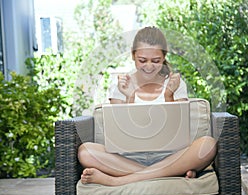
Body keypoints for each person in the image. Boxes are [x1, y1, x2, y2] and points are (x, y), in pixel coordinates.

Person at [78, 26, 217, 186]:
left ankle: (117, 180)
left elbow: (177, 132)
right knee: (85, 152)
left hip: (170, 157)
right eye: (142, 60)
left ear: (164, 56)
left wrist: (168, 95)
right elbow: (121, 132)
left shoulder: (175, 83)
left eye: (156, 61)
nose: (149, 66)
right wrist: (129, 96)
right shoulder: (122, 85)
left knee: (208, 144)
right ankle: (171, 173)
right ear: (133, 55)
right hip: (127, 158)